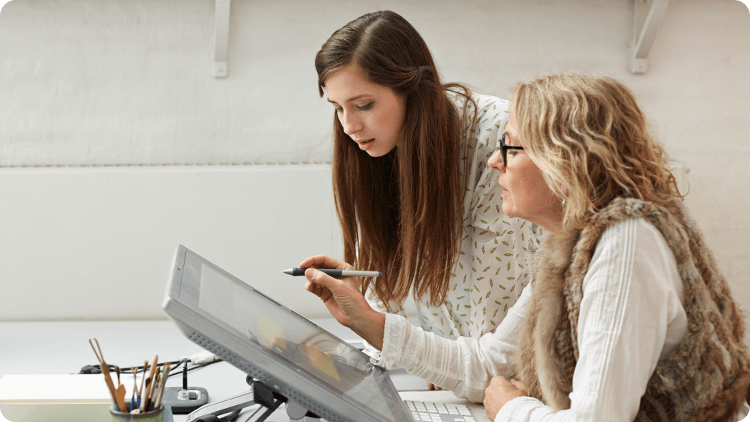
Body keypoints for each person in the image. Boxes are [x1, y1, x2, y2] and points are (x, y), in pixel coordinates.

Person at [302, 72, 750, 421]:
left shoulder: (625, 246)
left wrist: (511, 410)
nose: (496, 160)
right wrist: (367, 320)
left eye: (511, 147)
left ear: (567, 159)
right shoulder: (574, 244)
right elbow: (490, 362)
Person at [303, 9, 539, 378]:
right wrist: (365, 305)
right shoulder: (381, 145)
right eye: (337, 108)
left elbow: (495, 349)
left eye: (364, 105)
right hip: (464, 380)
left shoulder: (499, 145)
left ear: (413, 90)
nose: (349, 126)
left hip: (513, 382)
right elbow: (398, 306)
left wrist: (442, 371)